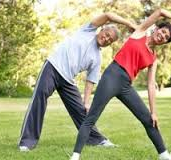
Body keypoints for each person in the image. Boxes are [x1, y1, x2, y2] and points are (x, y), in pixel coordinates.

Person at [70, 9, 171, 160]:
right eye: (163, 31)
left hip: (126, 85)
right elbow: (160, 12)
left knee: (148, 119)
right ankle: (75, 156)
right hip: (112, 76)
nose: (162, 36)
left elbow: (151, 85)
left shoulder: (153, 58)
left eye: (166, 37)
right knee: (91, 117)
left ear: (165, 42)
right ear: (157, 29)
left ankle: (164, 155)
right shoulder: (140, 32)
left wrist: (154, 112)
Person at [18, 12, 136, 151]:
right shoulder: (87, 30)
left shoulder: (97, 58)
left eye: (109, 41)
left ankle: (97, 140)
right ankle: (27, 141)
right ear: (102, 29)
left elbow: (90, 81)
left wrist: (86, 102)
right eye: (107, 35)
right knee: (39, 97)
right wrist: (129, 24)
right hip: (53, 67)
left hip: (68, 80)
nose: (106, 39)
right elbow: (108, 15)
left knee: (81, 110)